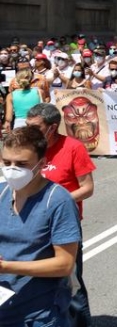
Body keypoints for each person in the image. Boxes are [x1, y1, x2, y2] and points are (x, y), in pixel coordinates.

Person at [0, 127, 81, 326]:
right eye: (6, 162)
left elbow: (64, 264)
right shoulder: (2, 192)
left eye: (21, 164)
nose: (12, 169)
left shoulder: (58, 201)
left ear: (42, 163)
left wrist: (6, 267)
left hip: (39, 315)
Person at [26, 103, 96, 327]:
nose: (30, 131)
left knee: (71, 285)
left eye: (36, 127)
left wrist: (54, 204)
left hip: (64, 227)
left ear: (52, 127)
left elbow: (87, 188)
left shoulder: (73, 147)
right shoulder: (31, 147)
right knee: (37, 283)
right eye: (27, 126)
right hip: (33, 227)